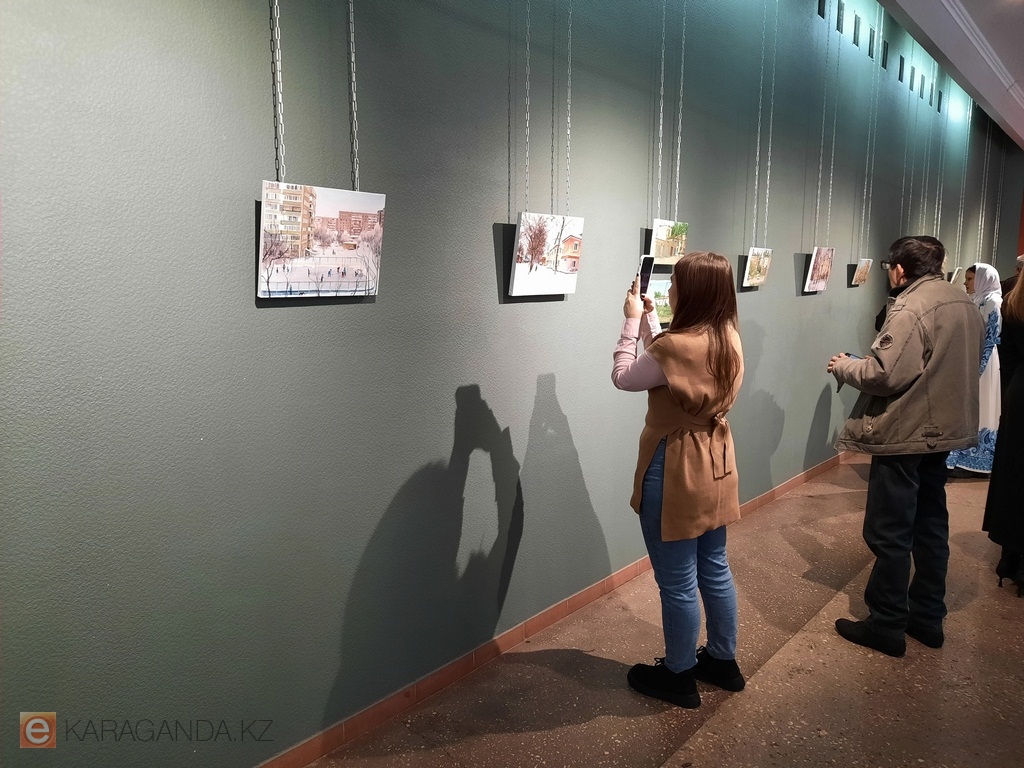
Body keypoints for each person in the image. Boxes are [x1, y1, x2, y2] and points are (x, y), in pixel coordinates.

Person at [827, 236, 983, 657]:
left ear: (898, 269)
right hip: (943, 430)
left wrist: (845, 365)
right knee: (931, 524)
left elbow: (884, 374)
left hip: (906, 432)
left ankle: (887, 623)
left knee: (890, 530)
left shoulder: (911, 307)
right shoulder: (962, 301)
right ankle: (927, 617)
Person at [611, 252, 745, 708]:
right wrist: (652, 322)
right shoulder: (728, 335)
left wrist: (630, 322)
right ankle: (723, 661)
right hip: (716, 462)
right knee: (715, 566)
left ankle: (679, 674)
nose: (669, 290)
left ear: (692, 293)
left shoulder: (676, 347)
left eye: (676, 284)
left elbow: (625, 377)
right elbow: (673, 370)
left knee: (678, 581)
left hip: (676, 466)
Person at [983, 279, 1024, 595]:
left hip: (1020, 396)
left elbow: (1007, 360)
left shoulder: (1013, 302)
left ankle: (1013, 558)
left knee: (1017, 478)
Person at [947, 263, 1001, 473]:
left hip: (984, 359)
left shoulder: (992, 301)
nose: (966, 283)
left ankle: (978, 460)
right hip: (972, 356)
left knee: (982, 404)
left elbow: (991, 335)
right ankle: (961, 457)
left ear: (982, 280)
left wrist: (979, 364)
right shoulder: (976, 300)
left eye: (970, 279)